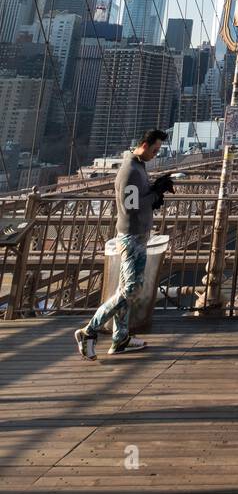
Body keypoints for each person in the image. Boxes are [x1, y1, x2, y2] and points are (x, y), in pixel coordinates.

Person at [75, 128, 170, 359]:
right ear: (145, 145)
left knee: (124, 290)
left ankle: (120, 338)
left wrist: (153, 192)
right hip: (131, 238)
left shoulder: (139, 167)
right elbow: (130, 206)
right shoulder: (129, 170)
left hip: (139, 235)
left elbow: (138, 198)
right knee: (131, 289)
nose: (156, 154)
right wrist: (155, 195)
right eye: (155, 150)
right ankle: (89, 331)